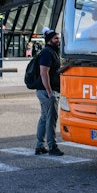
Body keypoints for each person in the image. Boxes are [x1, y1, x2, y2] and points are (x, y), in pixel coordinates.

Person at [34, 28, 64, 156]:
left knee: (44, 118)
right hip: (47, 91)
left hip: (44, 91)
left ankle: (39, 146)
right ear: (49, 40)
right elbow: (43, 72)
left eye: (58, 38)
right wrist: (49, 91)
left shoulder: (53, 52)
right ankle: (52, 147)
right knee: (51, 119)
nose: (58, 40)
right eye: (56, 38)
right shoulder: (47, 52)